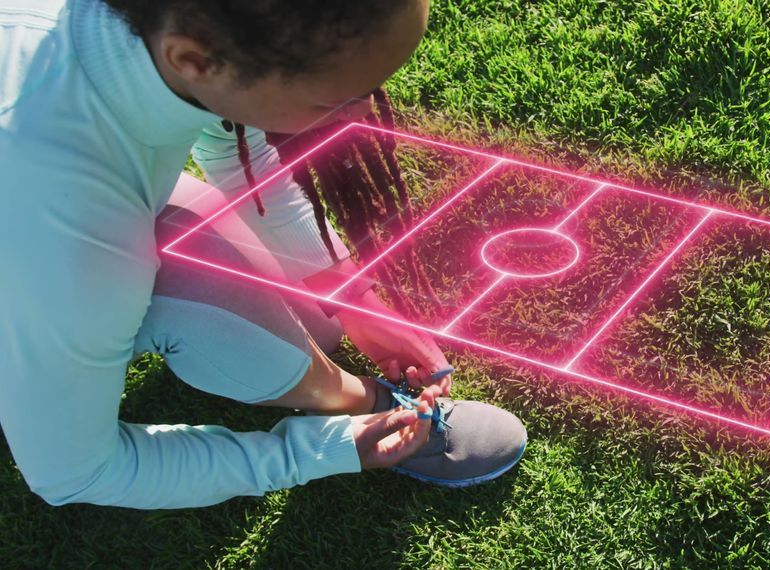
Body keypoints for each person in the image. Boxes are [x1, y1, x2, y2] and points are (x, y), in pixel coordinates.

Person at [0, 0, 527, 509]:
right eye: (332, 100)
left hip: (62, 218)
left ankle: (315, 369)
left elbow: (235, 149)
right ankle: (362, 404)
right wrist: (318, 453)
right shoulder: (69, 230)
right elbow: (73, 472)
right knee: (198, 287)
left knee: (313, 325)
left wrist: (353, 297)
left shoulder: (176, 35)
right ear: (195, 60)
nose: (366, 109)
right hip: (44, 246)